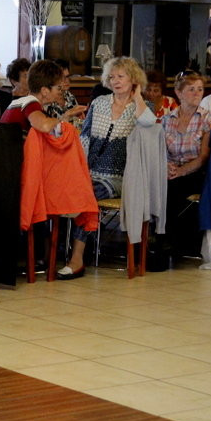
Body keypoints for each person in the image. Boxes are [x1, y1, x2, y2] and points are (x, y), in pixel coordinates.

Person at [1, 61, 91, 277]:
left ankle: (47, 256)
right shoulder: (29, 103)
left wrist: (64, 117)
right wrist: (65, 121)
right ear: (44, 90)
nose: (61, 91)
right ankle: (47, 255)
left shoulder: (25, 103)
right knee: (66, 189)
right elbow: (42, 125)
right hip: (10, 177)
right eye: (58, 88)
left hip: (9, 172)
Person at [72, 57, 155, 278]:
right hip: (90, 173)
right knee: (77, 191)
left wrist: (137, 97)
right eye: (112, 77)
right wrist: (78, 171)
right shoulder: (99, 103)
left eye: (121, 76)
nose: (115, 81)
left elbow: (148, 123)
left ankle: (76, 256)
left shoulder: (143, 107)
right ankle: (68, 252)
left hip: (121, 177)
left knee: (86, 196)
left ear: (133, 79)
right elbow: (85, 138)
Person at [161, 70, 211, 257]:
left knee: (173, 188)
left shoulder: (207, 119)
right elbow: (161, 151)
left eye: (200, 89)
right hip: (171, 170)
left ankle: (167, 242)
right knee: (156, 185)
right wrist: (168, 167)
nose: (197, 93)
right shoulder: (167, 120)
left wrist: (181, 171)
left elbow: (204, 157)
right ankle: (154, 239)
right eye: (191, 89)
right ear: (179, 93)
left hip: (198, 172)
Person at [44, 60, 82, 128]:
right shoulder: (47, 99)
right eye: (62, 77)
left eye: (67, 76)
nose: (66, 80)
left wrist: (81, 120)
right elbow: (48, 129)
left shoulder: (70, 96)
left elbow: (77, 123)